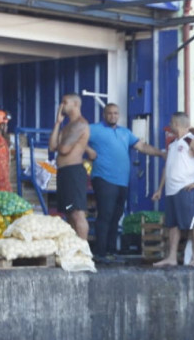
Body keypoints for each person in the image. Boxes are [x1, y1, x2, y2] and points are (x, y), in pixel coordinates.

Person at [86, 103, 165, 261]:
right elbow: (76, 138)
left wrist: (161, 153)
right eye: (110, 113)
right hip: (103, 178)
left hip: (122, 181)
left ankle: (111, 251)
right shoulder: (94, 129)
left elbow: (142, 146)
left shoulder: (125, 132)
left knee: (116, 215)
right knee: (105, 215)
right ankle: (100, 253)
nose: (113, 116)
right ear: (104, 115)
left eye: (116, 113)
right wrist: (88, 150)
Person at [152, 112, 194, 267]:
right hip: (171, 190)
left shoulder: (192, 141)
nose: (169, 126)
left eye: (171, 123)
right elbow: (167, 167)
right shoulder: (172, 144)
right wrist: (160, 189)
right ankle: (172, 258)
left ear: (176, 124)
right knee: (173, 224)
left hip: (186, 188)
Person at [48, 93, 91, 240]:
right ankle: (74, 246)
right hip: (64, 172)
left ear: (75, 104)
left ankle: (83, 248)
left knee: (77, 213)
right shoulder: (66, 126)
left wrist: (61, 142)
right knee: (69, 212)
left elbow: (64, 149)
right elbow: (52, 146)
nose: (61, 106)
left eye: (65, 102)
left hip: (73, 172)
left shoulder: (80, 124)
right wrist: (57, 123)